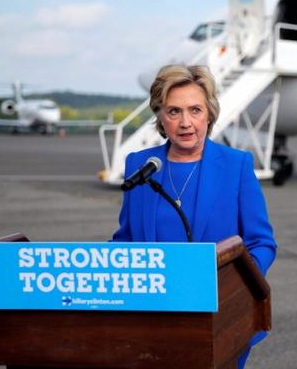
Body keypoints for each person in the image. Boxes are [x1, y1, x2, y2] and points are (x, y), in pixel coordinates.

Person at [111, 64, 277, 368]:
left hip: (220, 317)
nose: (186, 122)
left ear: (209, 113)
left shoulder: (236, 165)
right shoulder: (140, 165)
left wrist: (236, 287)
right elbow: (125, 240)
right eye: (174, 111)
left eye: (195, 110)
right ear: (160, 116)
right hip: (153, 318)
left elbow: (262, 243)